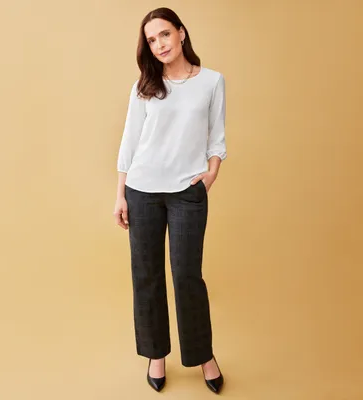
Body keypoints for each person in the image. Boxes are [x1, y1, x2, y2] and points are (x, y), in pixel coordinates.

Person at [113, 7, 226, 394]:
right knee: (146, 275)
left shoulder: (211, 81)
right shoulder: (144, 85)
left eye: (164, 34)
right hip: (142, 190)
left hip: (187, 193)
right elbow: (129, 141)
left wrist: (211, 173)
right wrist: (120, 194)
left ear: (181, 33)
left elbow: (217, 138)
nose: (159, 44)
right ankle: (156, 354)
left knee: (187, 276)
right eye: (151, 40)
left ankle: (203, 355)